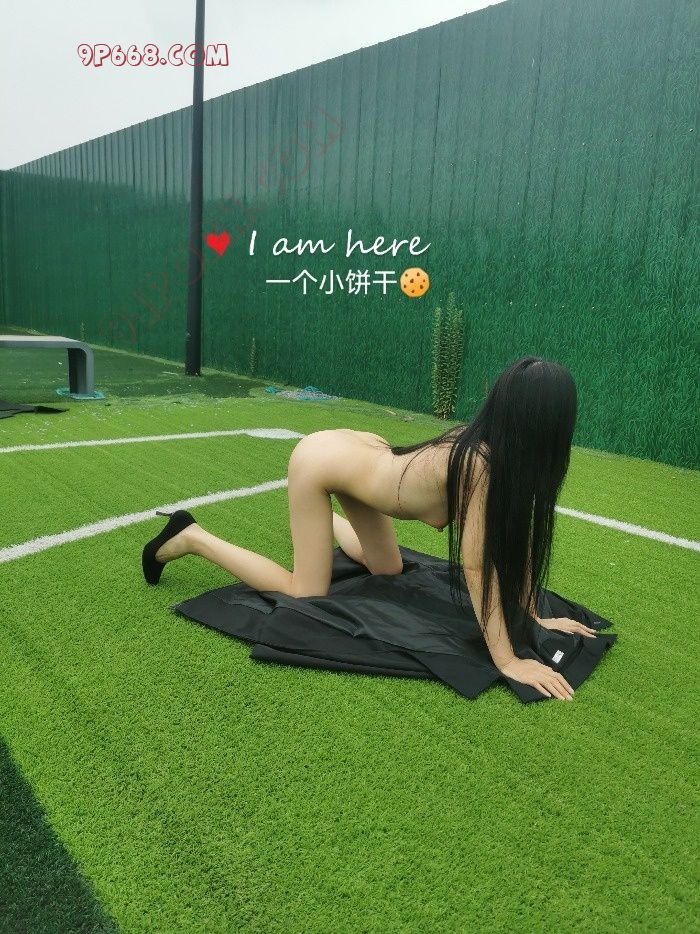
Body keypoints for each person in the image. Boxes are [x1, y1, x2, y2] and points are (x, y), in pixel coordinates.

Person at [142, 356, 597, 701]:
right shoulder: (480, 465)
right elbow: (478, 567)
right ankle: (192, 537)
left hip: (363, 457)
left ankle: (320, 523)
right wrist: (508, 660)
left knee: (388, 568)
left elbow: (515, 545)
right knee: (305, 592)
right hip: (320, 462)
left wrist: (533, 614)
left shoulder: (500, 459)